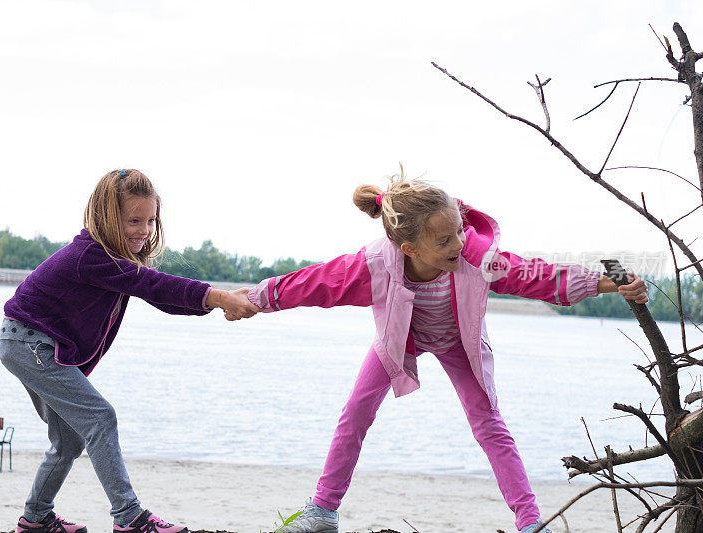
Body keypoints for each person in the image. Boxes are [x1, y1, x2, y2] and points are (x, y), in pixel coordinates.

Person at [247, 172, 648, 533]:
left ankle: (529, 522)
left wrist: (617, 279)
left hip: (459, 341)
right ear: (409, 247)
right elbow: (314, 282)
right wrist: (252, 298)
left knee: (489, 423)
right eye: (444, 240)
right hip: (398, 340)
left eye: (459, 231)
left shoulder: (476, 258)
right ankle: (323, 510)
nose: (459, 243)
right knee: (355, 414)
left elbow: (540, 276)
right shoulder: (373, 265)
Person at [0, 169, 260, 533]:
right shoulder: (89, 256)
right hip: (29, 344)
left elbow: (159, 294)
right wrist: (217, 296)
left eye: (151, 220)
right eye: (133, 220)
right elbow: (152, 283)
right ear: (107, 217)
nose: (145, 229)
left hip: (26, 344)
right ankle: (129, 517)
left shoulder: (111, 263)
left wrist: (217, 304)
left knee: (70, 439)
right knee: (100, 418)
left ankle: (36, 518)